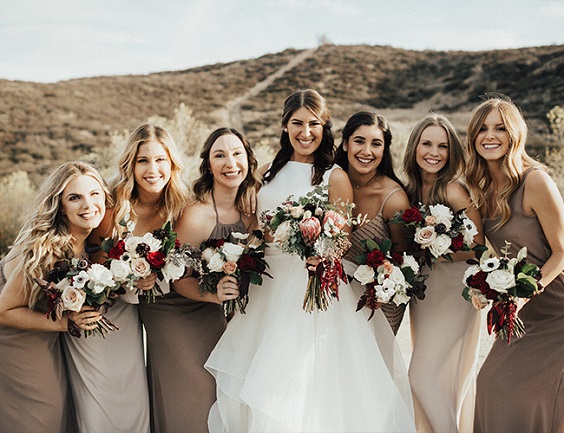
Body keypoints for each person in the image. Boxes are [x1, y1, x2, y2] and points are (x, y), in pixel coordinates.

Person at [205, 89, 416, 433]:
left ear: (324, 127)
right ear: (285, 126)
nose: (306, 132)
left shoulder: (334, 176)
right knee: (263, 379)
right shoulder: (271, 171)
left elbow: (341, 235)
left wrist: (319, 250)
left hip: (310, 290)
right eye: (297, 123)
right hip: (268, 291)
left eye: (313, 124)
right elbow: (259, 225)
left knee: (303, 385)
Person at [64, 124, 187, 433]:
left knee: (136, 398)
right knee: (105, 397)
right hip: (106, 310)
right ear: (130, 165)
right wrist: (129, 280)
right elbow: (85, 257)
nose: (153, 169)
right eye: (143, 161)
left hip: (156, 310)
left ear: (172, 163)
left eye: (160, 160)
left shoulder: (179, 204)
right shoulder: (109, 206)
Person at [141, 127, 259, 433]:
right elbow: (178, 278)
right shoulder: (197, 215)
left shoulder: (253, 209)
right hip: (174, 309)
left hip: (213, 312)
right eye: (219, 155)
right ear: (208, 164)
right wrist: (215, 295)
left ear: (248, 159)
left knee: (223, 391)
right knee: (196, 392)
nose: (230, 163)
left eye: (237, 154)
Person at [465, 96, 564, 433]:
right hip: (521, 308)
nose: (489, 136)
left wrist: (527, 290)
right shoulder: (481, 187)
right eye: (482, 128)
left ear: (514, 135)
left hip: (556, 307)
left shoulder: (535, 180)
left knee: (536, 396)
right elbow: (481, 250)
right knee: (492, 384)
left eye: (500, 128)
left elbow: (563, 251)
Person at [0, 161, 110, 433]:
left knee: (62, 411)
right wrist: (65, 323)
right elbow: (4, 310)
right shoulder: (47, 249)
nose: (88, 204)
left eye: (94, 194)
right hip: (12, 332)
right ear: (61, 206)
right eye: (75, 197)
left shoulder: (89, 240)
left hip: (42, 328)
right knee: (42, 413)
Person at [403, 114, 484, 433]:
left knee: (420, 376)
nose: (434, 152)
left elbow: (479, 246)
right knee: (433, 379)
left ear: (452, 152)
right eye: (427, 143)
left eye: (443, 146)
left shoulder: (454, 189)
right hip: (425, 295)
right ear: (415, 147)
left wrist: (438, 245)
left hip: (454, 291)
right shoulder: (411, 191)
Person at [334, 111, 411, 334]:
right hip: (332, 302)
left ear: (384, 150)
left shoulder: (393, 199)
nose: (367, 151)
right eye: (359, 141)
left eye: (376, 144)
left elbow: (404, 261)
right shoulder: (326, 182)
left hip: (377, 307)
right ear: (346, 143)